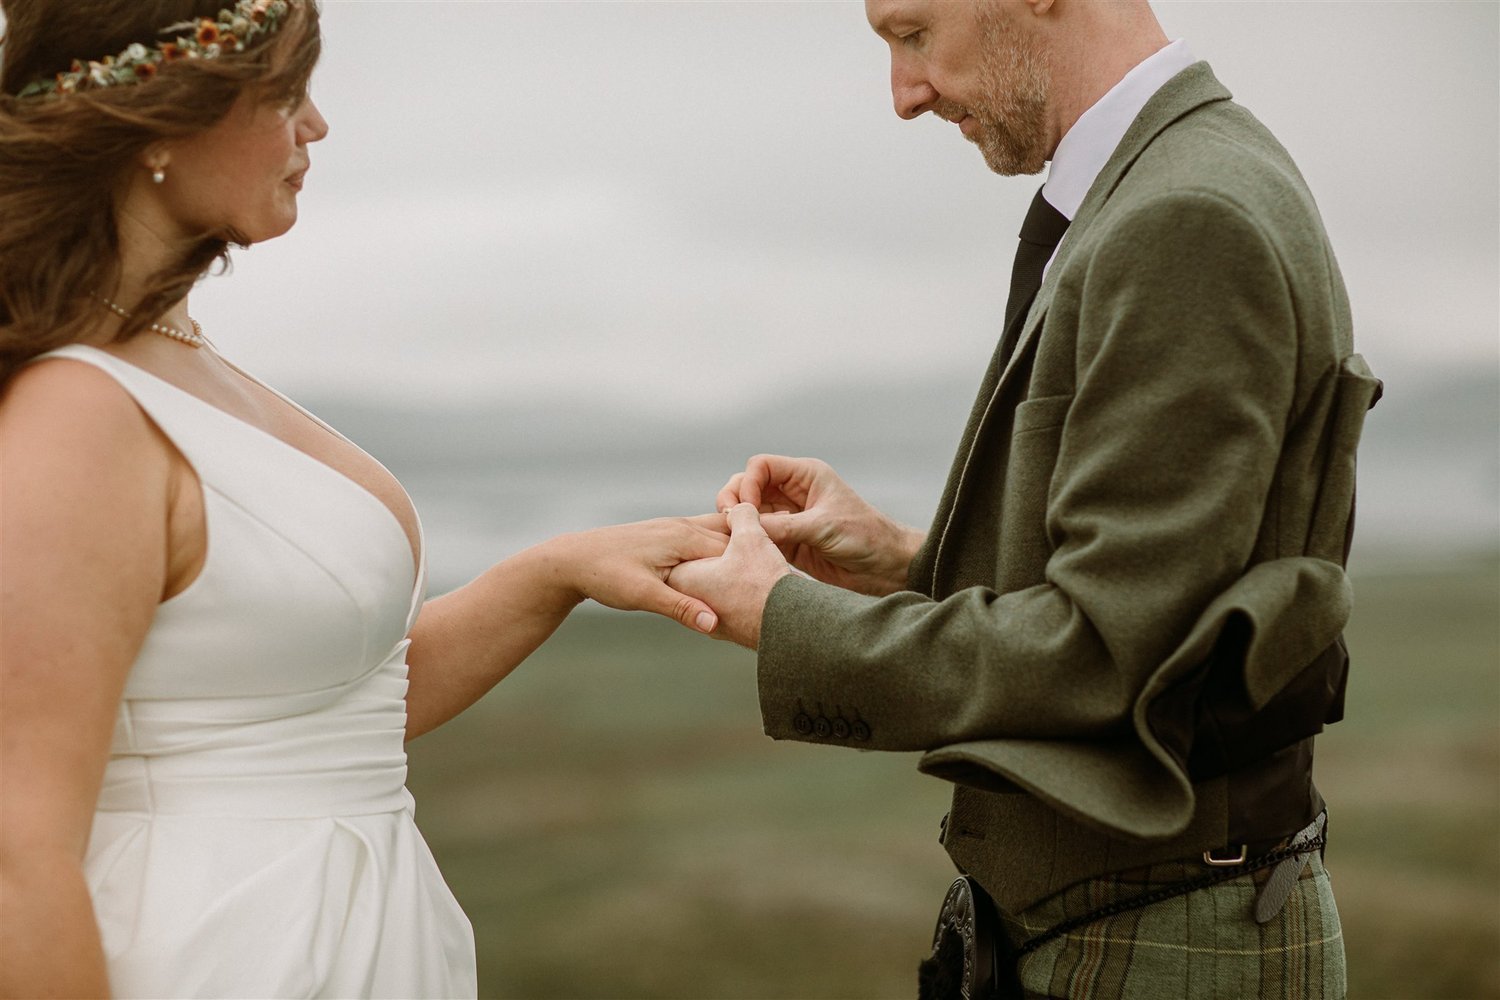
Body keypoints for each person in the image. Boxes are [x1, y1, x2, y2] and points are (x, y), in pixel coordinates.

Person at [0, 2, 728, 996]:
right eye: (287, 92)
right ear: (168, 118)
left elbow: (327, 712)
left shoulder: (179, 362)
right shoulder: (77, 416)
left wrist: (555, 571)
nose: (318, 127)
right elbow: (18, 859)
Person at [669, 0, 1380, 995]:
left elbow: (1109, 653)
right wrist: (896, 560)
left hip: (1162, 947)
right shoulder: (1164, 181)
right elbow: (1157, 595)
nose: (903, 95)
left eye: (913, 34)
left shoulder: (1186, 215)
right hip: (1140, 925)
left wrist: (789, 619)